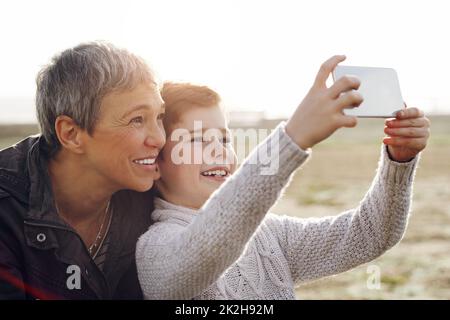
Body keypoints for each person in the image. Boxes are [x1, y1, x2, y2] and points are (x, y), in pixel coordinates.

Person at [135, 78, 429, 299]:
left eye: (224, 140)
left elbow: (370, 234)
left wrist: (398, 161)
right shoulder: (155, 248)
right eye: (197, 139)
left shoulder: (271, 235)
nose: (219, 152)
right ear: (157, 161)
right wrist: (292, 138)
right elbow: (207, 249)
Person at [0, 42, 165, 299]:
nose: (159, 139)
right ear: (71, 134)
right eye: (137, 119)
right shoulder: (6, 210)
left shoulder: (152, 193)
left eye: (159, 118)